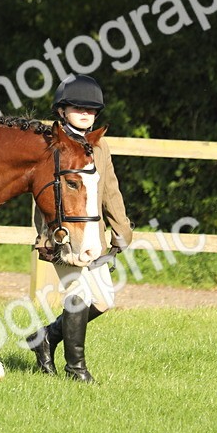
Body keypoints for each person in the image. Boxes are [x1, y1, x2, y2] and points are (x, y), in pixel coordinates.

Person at [28, 75, 133, 382]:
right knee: (79, 294)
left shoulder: (99, 146)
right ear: (61, 110)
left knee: (103, 302)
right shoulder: (52, 145)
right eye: (78, 108)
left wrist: (121, 229)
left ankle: (45, 336)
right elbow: (43, 197)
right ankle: (76, 369)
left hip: (93, 236)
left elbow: (110, 190)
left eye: (92, 110)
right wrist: (49, 238)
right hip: (62, 234)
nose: (86, 114)